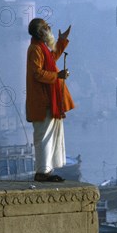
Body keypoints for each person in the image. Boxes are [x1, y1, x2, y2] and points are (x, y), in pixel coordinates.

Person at [26, 18, 75, 182]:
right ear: (41, 32)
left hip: (49, 100)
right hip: (42, 101)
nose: (50, 30)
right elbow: (37, 73)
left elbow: (51, 59)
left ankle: (47, 170)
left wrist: (61, 42)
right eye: (47, 28)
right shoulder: (35, 49)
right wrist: (57, 75)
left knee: (50, 136)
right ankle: (42, 172)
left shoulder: (41, 49)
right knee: (44, 136)